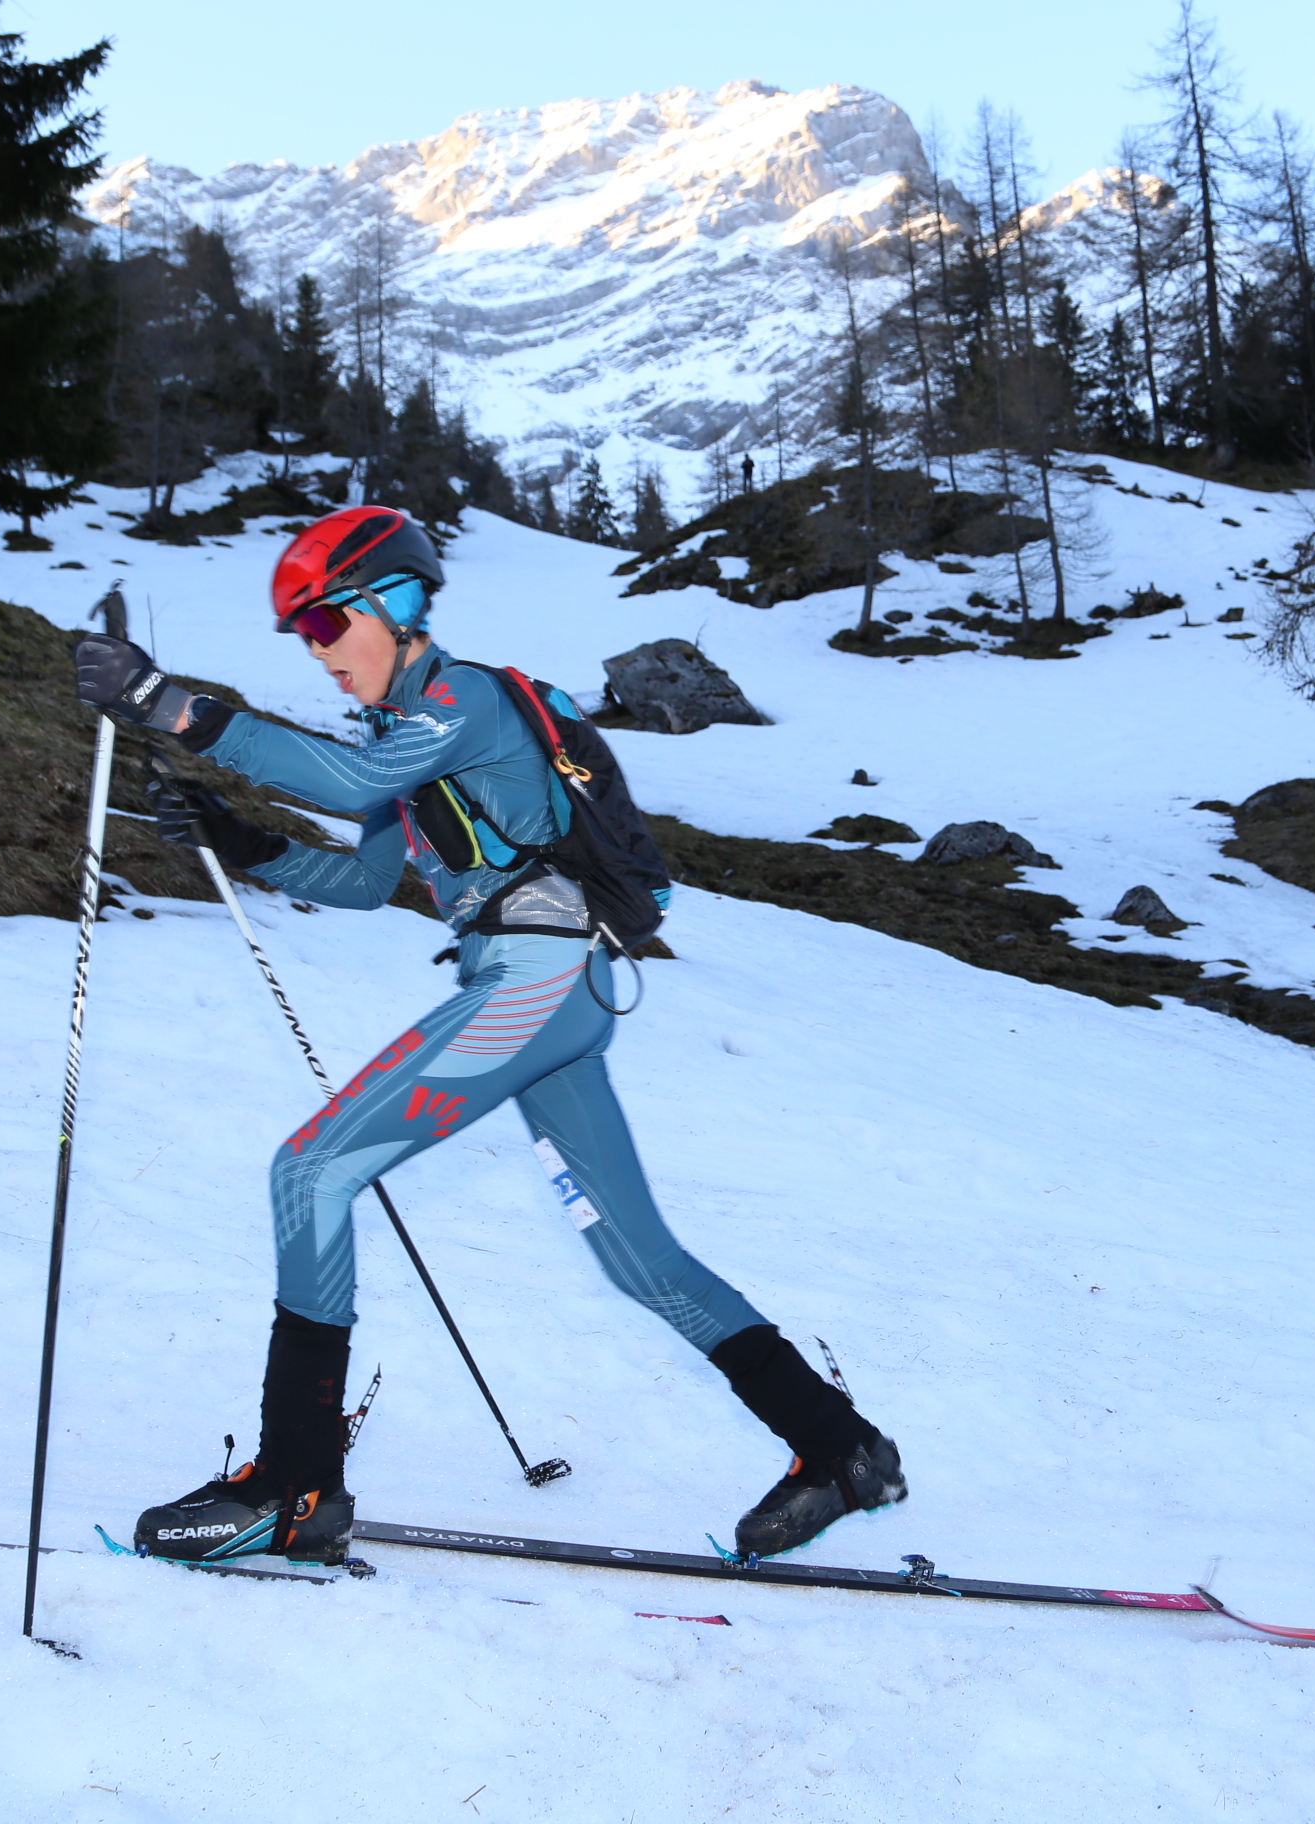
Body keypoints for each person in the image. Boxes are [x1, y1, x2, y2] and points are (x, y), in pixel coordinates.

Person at [69, 504, 904, 1567]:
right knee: (640, 1262)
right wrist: (240, 839)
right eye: (301, 637)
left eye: (323, 625)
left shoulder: (463, 700)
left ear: (391, 603)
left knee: (310, 1172)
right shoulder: (402, 743)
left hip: (537, 983)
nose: (316, 652)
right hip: (551, 994)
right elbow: (365, 882)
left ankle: (294, 1486)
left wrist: (166, 703)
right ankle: (843, 1450)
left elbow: (351, 782)